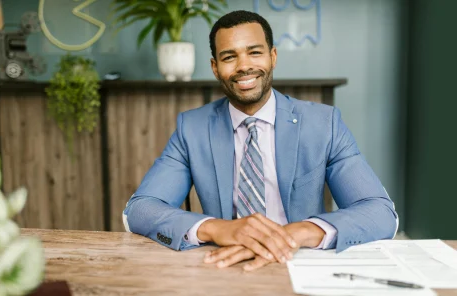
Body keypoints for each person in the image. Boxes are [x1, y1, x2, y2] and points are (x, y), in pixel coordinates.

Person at [123, 10, 398, 271]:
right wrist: (220, 228)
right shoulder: (191, 128)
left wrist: (296, 233)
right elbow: (139, 209)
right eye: (229, 57)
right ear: (215, 67)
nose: (244, 66)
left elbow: (381, 212)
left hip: (302, 261)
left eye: (254, 52)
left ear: (273, 56)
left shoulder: (324, 124)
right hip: (223, 262)